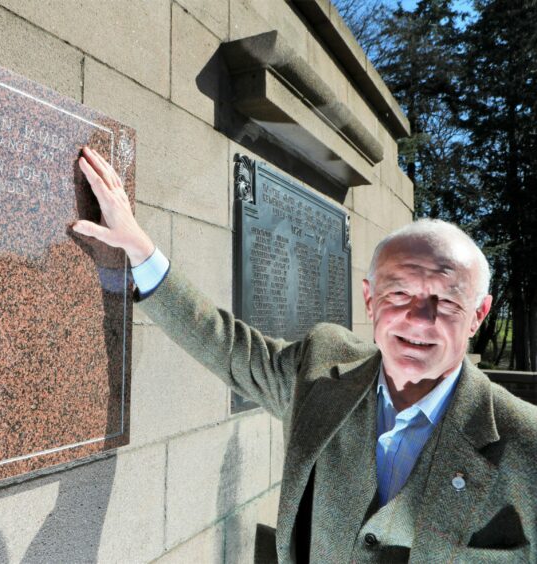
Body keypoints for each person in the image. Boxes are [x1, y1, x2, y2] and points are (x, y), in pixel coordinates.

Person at [73, 147, 537, 562]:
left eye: (447, 300)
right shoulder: (321, 369)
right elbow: (226, 346)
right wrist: (138, 248)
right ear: (370, 299)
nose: (419, 318)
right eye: (398, 293)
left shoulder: (527, 444)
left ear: (478, 314)